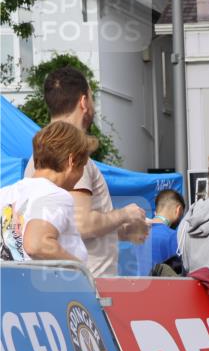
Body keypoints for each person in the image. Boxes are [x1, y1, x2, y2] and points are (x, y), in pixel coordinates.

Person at [23, 66, 148, 276]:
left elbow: (66, 225)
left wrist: (122, 231)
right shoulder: (70, 157)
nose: (93, 105)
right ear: (83, 102)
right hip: (87, 292)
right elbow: (82, 224)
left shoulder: (40, 158)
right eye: (92, 98)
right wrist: (125, 214)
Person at [1, 122, 96, 263]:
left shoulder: (5, 194)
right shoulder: (54, 195)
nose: (81, 175)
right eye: (82, 165)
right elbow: (36, 245)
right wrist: (80, 270)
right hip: (44, 284)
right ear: (72, 161)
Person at [119, 189, 185, 276]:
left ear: (156, 211)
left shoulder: (130, 235)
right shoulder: (174, 237)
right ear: (178, 210)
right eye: (181, 215)